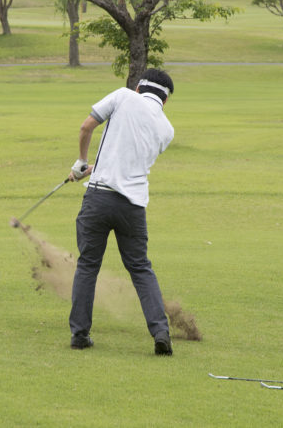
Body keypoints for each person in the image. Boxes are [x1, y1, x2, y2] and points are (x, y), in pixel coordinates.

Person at [67, 68, 175, 355]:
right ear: (165, 101)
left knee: (88, 265)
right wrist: (90, 169)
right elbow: (130, 157)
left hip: (98, 198)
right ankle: (160, 331)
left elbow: (86, 127)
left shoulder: (123, 96)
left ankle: (79, 334)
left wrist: (81, 164)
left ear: (138, 88)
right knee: (140, 268)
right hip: (133, 206)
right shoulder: (167, 129)